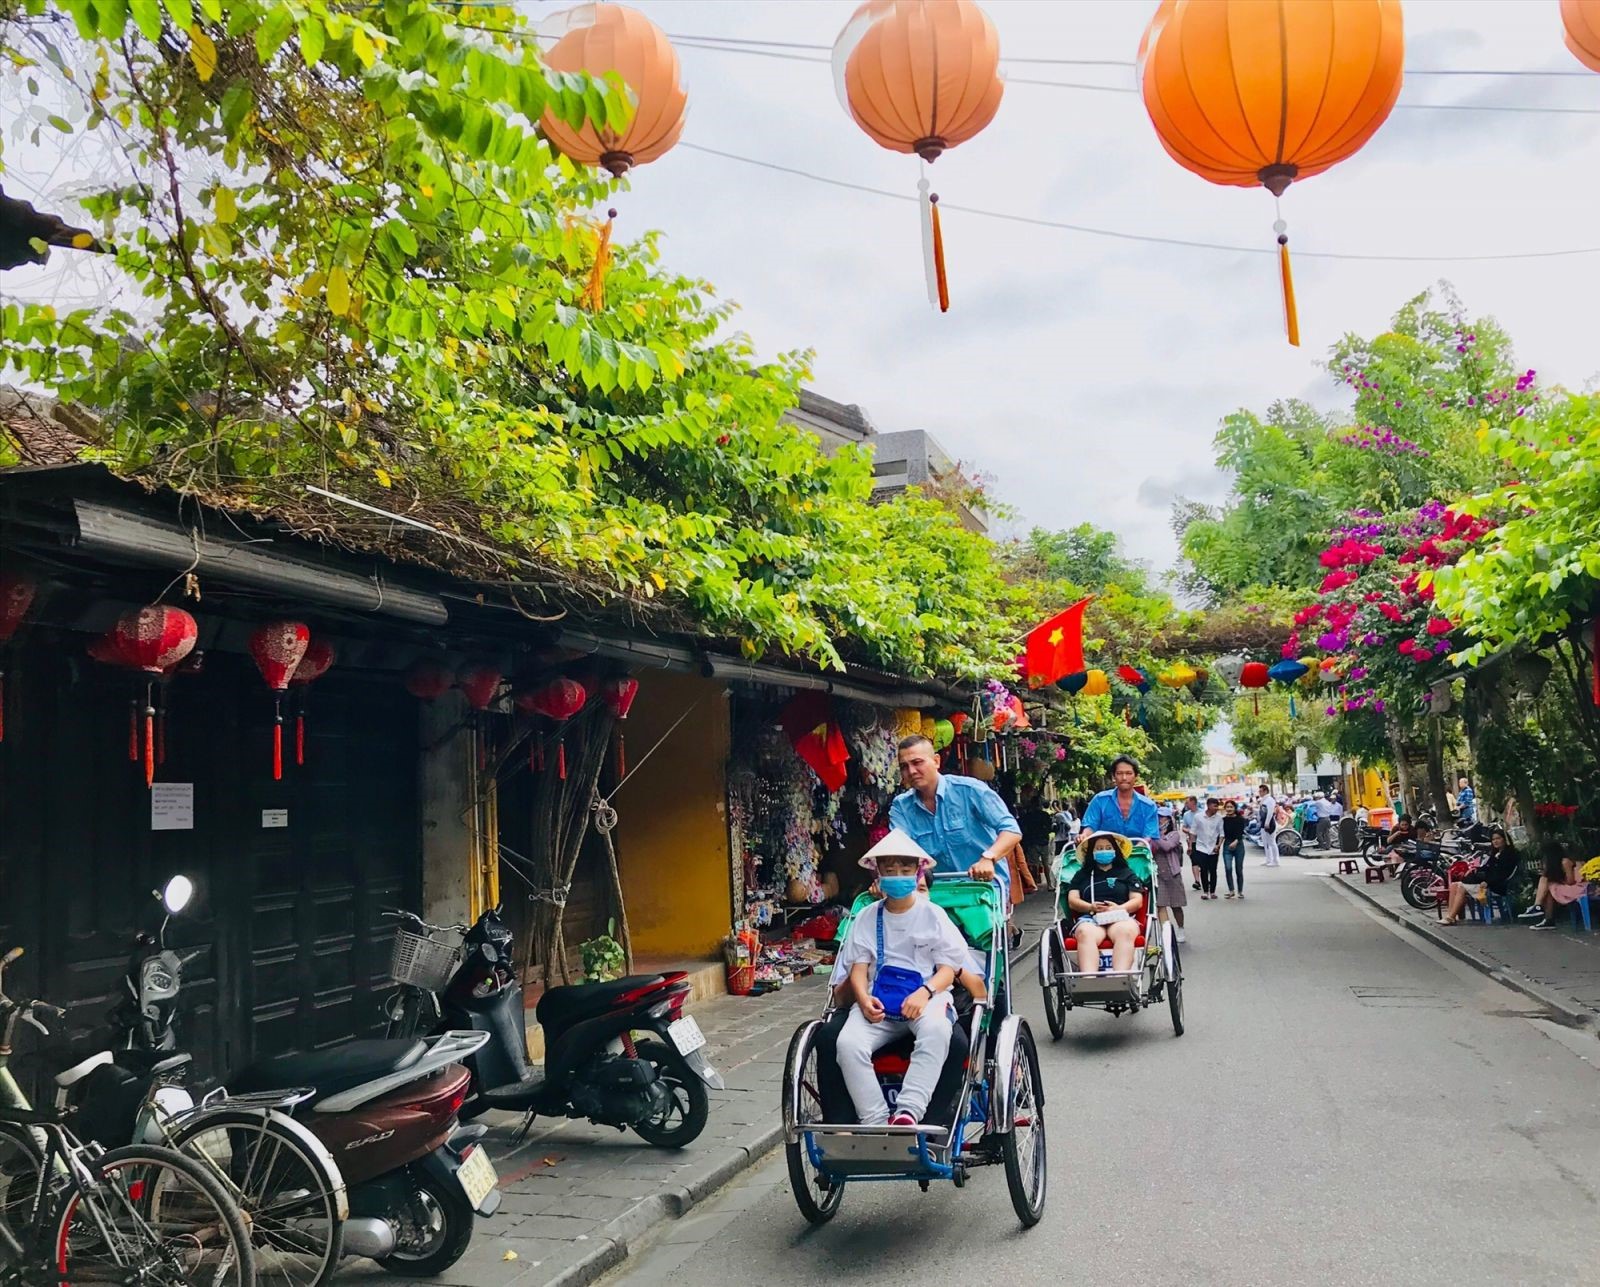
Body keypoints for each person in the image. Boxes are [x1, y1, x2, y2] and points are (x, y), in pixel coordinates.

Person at [832, 829, 974, 1127]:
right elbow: (859, 969)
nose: (898, 875)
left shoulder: (933, 914)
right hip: (878, 1001)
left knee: (937, 1031)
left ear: (917, 871)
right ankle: (875, 1120)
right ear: (879, 873)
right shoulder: (867, 917)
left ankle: (908, 1112)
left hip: (926, 998)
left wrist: (925, 991)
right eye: (890, 870)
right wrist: (863, 999)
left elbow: (948, 969)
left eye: (905, 869)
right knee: (848, 1044)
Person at [888, 735, 1021, 896]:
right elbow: (899, 850)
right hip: (936, 893)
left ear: (936, 761)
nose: (911, 771)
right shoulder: (901, 806)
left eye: (917, 762)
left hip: (983, 889)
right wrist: (886, 878)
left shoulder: (970, 790)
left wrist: (989, 858)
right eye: (904, 766)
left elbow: (1011, 830)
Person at [1063, 831, 1146, 975]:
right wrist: (1090, 907)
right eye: (1099, 848)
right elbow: (1072, 900)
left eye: (1108, 847)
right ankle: (1089, 980)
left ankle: (1120, 979)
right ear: (1092, 852)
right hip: (1091, 918)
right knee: (1084, 933)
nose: (1104, 851)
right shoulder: (1082, 875)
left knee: (1124, 932)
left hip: (1121, 917)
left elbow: (1137, 901)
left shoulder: (1127, 873)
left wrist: (1118, 908)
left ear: (1115, 850)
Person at [1439, 826, 1520, 925]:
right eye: (1493, 839)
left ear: (1505, 839)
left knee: (1461, 887)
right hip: (1488, 882)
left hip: (1496, 885)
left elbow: (1502, 874)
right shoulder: (1495, 854)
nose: (1495, 841)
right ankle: (1450, 915)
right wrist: (1475, 869)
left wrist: (1487, 882)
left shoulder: (1508, 855)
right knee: (1454, 885)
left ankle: (1450, 917)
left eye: (1498, 838)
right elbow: (1486, 867)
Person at [1080, 755, 1160, 843]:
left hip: (1138, 853)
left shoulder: (1149, 806)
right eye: (1119, 773)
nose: (1124, 778)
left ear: (1136, 776)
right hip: (1104, 853)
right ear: (1114, 777)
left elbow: (1148, 837)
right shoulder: (1099, 800)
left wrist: (1136, 852)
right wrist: (1084, 836)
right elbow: (1090, 826)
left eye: (1129, 773)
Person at [1522, 841, 1591, 930]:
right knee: (1548, 883)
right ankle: (1547, 918)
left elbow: (1571, 881)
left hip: (1579, 888)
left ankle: (1539, 908)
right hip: (1571, 887)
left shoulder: (1565, 861)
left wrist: (1558, 881)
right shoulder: (1558, 863)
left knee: (1547, 882)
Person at [1151, 806, 1188, 942]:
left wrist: (1155, 835)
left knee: (1176, 904)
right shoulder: (1152, 833)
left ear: (1169, 819)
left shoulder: (1174, 834)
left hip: (1172, 874)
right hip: (1157, 873)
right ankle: (1166, 933)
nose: (1160, 820)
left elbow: (1167, 846)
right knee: (1161, 904)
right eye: (1158, 817)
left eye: (1163, 817)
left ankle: (1180, 928)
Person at [1191, 796, 1224, 899]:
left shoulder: (1219, 818)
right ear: (1209, 806)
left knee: (1213, 870)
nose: (1216, 808)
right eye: (1215, 806)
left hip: (1214, 847)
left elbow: (1222, 834)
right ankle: (1205, 891)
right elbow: (1193, 832)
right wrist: (1190, 846)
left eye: (1217, 806)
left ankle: (1213, 891)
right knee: (1204, 870)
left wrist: (1218, 845)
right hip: (1201, 847)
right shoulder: (1198, 817)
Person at [1220, 799, 1247, 899]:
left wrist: (1236, 841)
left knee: (1238, 869)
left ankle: (1240, 891)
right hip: (1227, 845)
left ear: (1235, 808)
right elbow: (1221, 834)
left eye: (1231, 807)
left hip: (1238, 845)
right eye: (1227, 807)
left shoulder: (1240, 819)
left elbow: (1241, 832)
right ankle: (1231, 890)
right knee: (1228, 868)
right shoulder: (1223, 820)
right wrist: (1218, 845)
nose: (1229, 809)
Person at [1256, 784, 1281, 867]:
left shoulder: (1270, 800)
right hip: (1263, 823)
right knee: (1265, 843)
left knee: (1271, 842)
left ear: (1265, 791)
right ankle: (1268, 859)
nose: (1259, 792)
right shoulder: (1263, 800)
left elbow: (1270, 812)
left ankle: (1276, 860)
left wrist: (1267, 823)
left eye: (1261, 791)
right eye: (1259, 791)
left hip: (1269, 823)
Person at [1181, 795, 1202, 889]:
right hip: (1191, 840)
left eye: (1187, 802)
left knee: (1204, 861)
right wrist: (1188, 831)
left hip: (1203, 840)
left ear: (1193, 802)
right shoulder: (1186, 814)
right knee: (1194, 861)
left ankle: (1206, 878)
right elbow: (1183, 827)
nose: (1186, 804)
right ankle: (1197, 881)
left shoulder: (1202, 813)